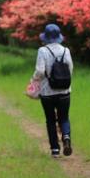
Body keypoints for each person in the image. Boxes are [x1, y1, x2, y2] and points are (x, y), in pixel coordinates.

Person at [32, 23, 73, 158]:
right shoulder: (65, 50)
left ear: (46, 37)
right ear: (59, 37)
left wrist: (34, 80)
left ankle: (55, 150)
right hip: (64, 91)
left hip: (47, 92)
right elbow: (70, 69)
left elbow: (40, 71)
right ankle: (66, 137)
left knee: (50, 120)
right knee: (64, 117)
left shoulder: (42, 51)